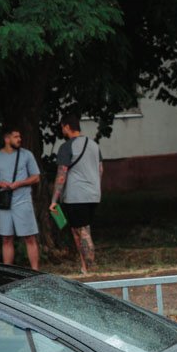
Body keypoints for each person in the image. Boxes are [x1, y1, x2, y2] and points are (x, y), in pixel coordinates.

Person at [50, 113, 102, 275]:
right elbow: (101, 169)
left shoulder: (66, 147)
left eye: (62, 128)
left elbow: (61, 174)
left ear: (66, 127)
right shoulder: (94, 145)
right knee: (79, 230)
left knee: (83, 231)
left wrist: (54, 200)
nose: (62, 131)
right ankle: (84, 267)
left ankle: (91, 267)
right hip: (93, 194)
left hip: (75, 196)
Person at [0, 127, 41, 270]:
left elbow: (36, 177)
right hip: (5, 202)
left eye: (19, 136)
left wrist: (20, 183)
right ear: (7, 139)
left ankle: (35, 270)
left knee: (29, 237)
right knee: (6, 238)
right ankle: (8, 271)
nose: (19, 139)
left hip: (23, 200)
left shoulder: (26, 155)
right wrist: (1, 184)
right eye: (16, 137)